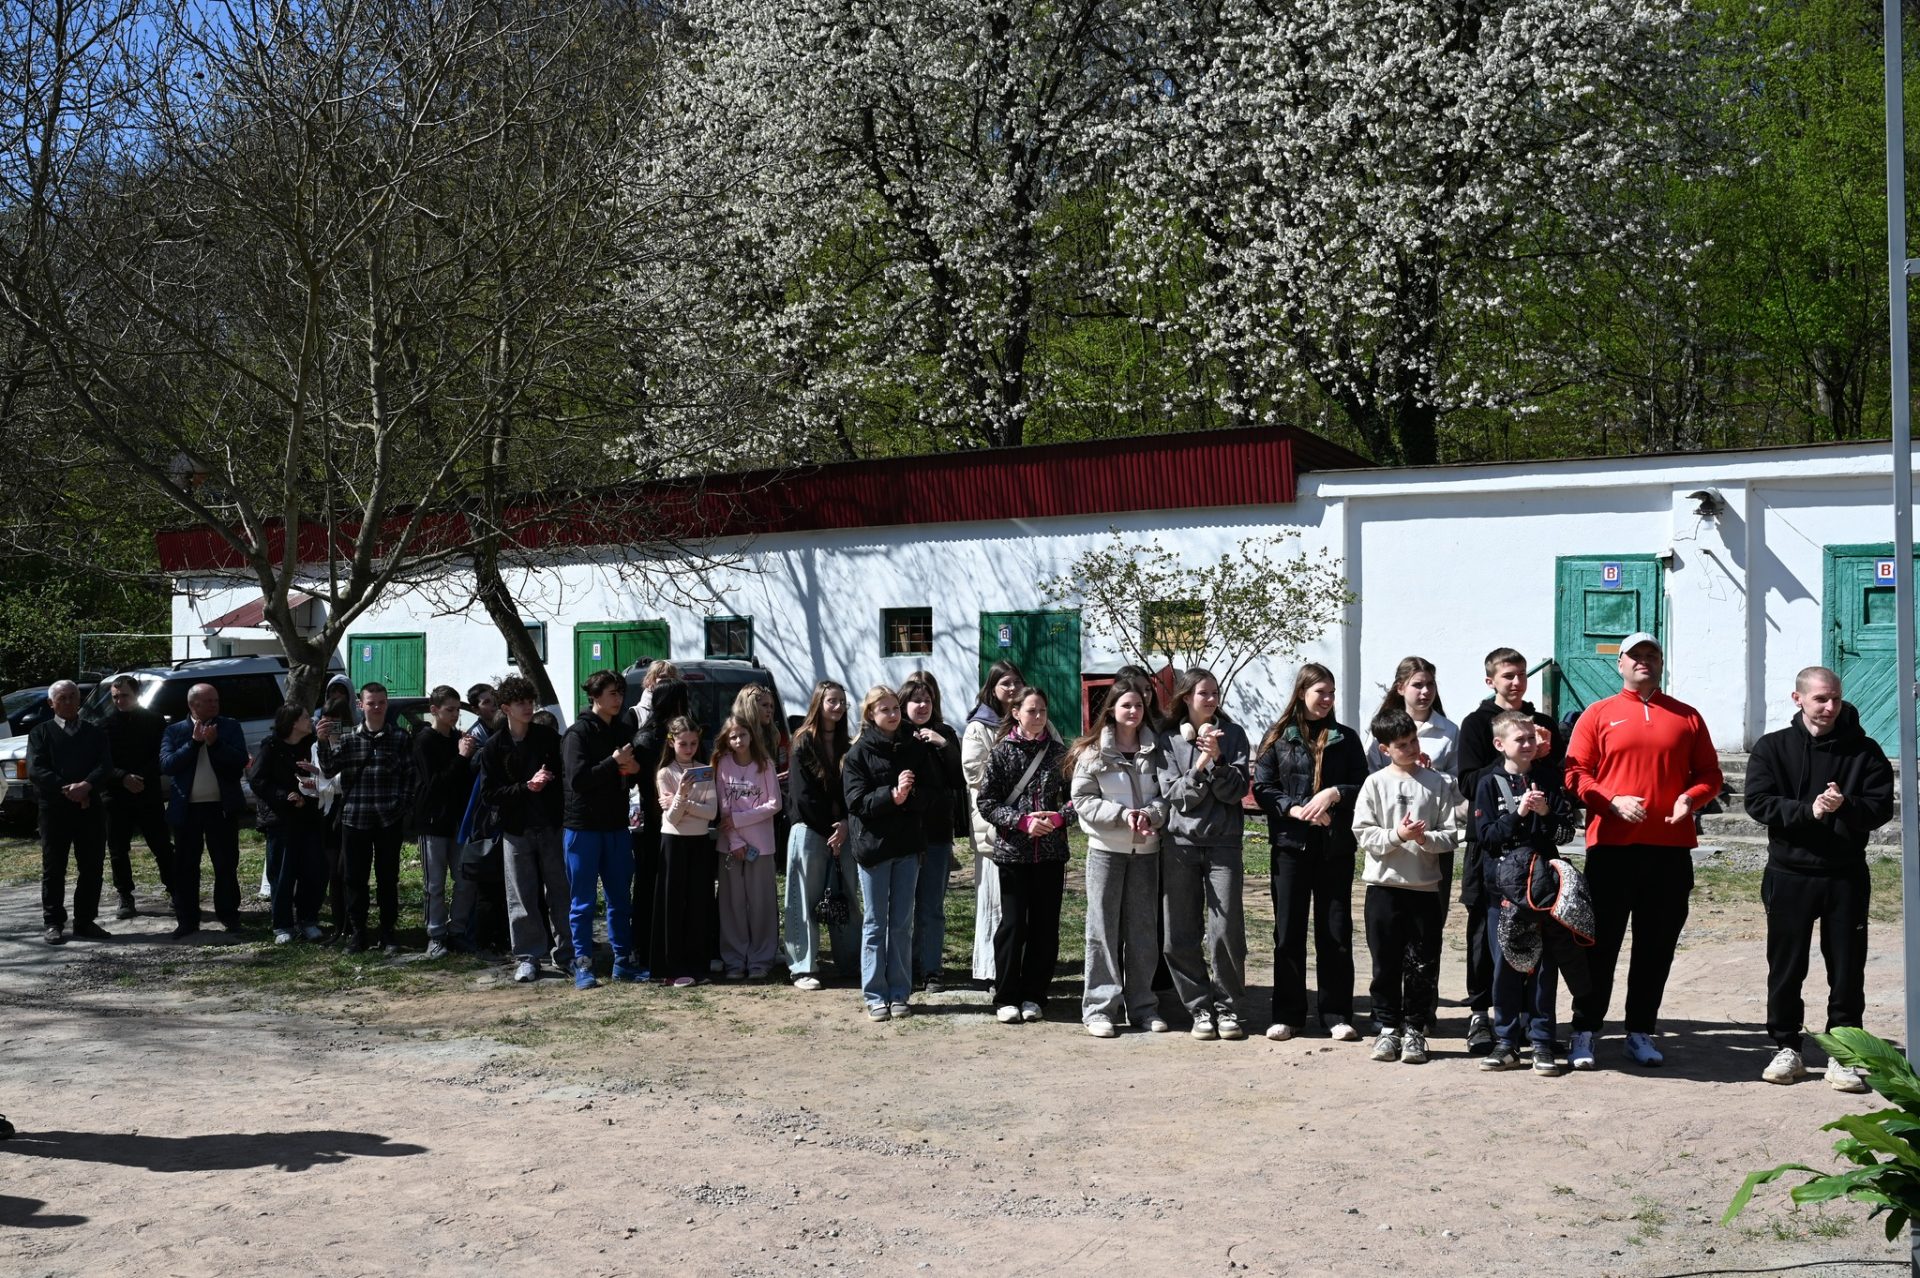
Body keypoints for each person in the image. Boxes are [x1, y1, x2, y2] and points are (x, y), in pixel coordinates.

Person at [1562, 631, 1723, 1069]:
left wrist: (1691, 798)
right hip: (1612, 850)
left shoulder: (1687, 716)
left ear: (1661, 663)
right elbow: (1575, 773)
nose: (1644, 661)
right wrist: (1611, 801)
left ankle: (1640, 1031)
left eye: (1652, 654)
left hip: (1669, 851)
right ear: (1620, 663)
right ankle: (1585, 1029)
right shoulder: (1598, 714)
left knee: (1656, 947)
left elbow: (1710, 775)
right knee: (1599, 946)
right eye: (1635, 655)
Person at [1745, 666, 1895, 1092]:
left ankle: (1843, 1052)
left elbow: (1881, 807)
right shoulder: (1773, 747)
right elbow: (1758, 802)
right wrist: (1807, 810)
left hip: (1845, 875)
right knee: (1786, 965)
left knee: (1847, 967)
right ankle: (1786, 1046)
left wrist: (1845, 805)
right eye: (1820, 699)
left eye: (1835, 699)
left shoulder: (1864, 751)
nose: (1830, 707)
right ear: (1798, 699)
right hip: (1789, 874)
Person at [1453, 647, 1564, 1056]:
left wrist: (1541, 754)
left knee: (1537, 940)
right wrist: (1512, 759)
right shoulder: (1476, 723)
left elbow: (1558, 782)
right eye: (1508, 676)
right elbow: (1468, 782)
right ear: (1492, 681)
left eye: (1521, 674)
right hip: (1491, 847)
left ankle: (1532, 1025)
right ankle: (1482, 1014)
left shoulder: (1542, 723)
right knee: (1487, 933)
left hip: (1536, 856)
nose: (1516, 682)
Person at [1252, 663, 1368, 1043]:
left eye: (1332, 693)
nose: (1328, 699)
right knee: (1288, 933)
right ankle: (1288, 1015)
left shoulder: (1346, 738)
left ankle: (1336, 1015)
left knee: (1335, 933)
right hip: (1291, 848)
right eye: (1321, 692)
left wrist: (1335, 794)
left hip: (1335, 849)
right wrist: (1294, 809)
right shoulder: (1277, 737)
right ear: (1302, 693)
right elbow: (1263, 787)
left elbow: (1364, 786)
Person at [1473, 709, 1584, 1075]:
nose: (1527, 744)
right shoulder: (1488, 783)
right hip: (1503, 892)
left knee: (1543, 968)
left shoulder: (1548, 778)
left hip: (1542, 891)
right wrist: (1518, 813)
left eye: (1531, 738)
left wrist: (1547, 812)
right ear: (1499, 744)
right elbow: (1486, 838)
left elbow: (1565, 834)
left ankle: (1541, 1042)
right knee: (1505, 966)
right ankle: (1506, 1042)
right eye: (1519, 739)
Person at [1352, 707, 1462, 1065]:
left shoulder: (1436, 783)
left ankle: (1415, 1028)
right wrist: (1397, 835)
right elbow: (1363, 833)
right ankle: (1387, 1027)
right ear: (1385, 749)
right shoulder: (1374, 783)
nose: (1412, 748)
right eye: (1402, 744)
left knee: (1421, 964)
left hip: (1424, 889)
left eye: (1413, 740)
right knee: (1385, 961)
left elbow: (1451, 835)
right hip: (1383, 887)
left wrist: (1425, 839)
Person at [1068, 679, 1169, 1038]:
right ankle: (1099, 1009)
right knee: (1102, 929)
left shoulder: (1158, 749)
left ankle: (1143, 1007)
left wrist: (1151, 814)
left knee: (1143, 931)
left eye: (1139, 705)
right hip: (1106, 851)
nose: (1134, 711)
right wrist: (1121, 815)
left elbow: (1167, 795)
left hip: (1146, 851)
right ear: (1111, 709)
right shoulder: (1092, 752)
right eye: (1126, 705)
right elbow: (1082, 799)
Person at [1162, 667, 1255, 1041]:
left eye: (1216, 693)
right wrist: (1201, 766)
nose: (1212, 699)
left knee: (1226, 930)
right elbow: (1177, 797)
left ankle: (1228, 1008)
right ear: (1186, 697)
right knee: (1179, 933)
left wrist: (1217, 760)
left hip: (1223, 845)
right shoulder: (1169, 740)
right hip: (1180, 847)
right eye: (1204, 693)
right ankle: (1199, 1007)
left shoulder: (1234, 735)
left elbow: (1236, 792)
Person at [977, 685, 1077, 1025]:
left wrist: (1059, 818)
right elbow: (986, 802)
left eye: (1042, 711)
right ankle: (1006, 996)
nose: (1038, 717)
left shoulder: (1059, 753)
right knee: (1013, 925)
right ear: (1016, 713)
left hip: (1051, 853)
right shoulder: (1001, 753)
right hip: (1013, 854)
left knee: (1045, 927)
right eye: (1031, 711)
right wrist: (1021, 822)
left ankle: (1035, 994)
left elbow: (1078, 798)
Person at [843, 686, 931, 1020]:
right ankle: (875, 995)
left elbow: (933, 794)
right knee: (875, 923)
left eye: (895, 708)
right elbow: (856, 801)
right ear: (870, 714)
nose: (893, 714)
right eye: (885, 709)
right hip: (874, 849)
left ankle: (899, 993)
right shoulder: (858, 753)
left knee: (902, 924)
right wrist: (891, 796)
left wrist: (910, 794)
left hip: (907, 846)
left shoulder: (914, 747)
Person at [483, 674, 571, 984]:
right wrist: (526, 787)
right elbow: (489, 794)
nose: (528, 707)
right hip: (516, 830)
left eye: (530, 701)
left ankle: (567, 954)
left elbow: (564, 779)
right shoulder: (494, 747)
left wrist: (548, 786)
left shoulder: (547, 738)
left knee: (560, 892)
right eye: (520, 703)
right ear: (506, 708)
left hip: (550, 826)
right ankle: (527, 957)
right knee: (520, 895)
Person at [562, 670, 644, 989]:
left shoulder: (623, 731)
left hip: (616, 826)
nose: (618, 699)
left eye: (621, 693)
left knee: (620, 899)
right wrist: (613, 762)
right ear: (595, 696)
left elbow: (628, 777)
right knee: (582, 903)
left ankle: (623, 962)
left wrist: (634, 770)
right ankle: (583, 964)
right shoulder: (577, 734)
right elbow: (578, 780)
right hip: (583, 827)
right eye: (612, 693)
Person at [321, 682, 417, 954]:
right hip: (356, 818)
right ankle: (358, 933)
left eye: (381, 702)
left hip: (389, 819)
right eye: (371, 703)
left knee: (388, 879)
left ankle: (388, 932)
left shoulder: (400, 737)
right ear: (360, 705)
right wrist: (324, 742)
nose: (377, 707)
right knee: (355, 879)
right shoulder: (348, 738)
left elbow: (410, 775)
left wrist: (402, 805)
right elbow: (328, 769)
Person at [161, 682, 249, 940]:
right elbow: (167, 765)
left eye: (216, 700)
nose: (214, 705)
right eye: (208, 701)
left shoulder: (229, 727)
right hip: (186, 810)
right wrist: (194, 743)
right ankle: (187, 920)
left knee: (225, 864)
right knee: (185, 866)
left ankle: (229, 916)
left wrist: (215, 743)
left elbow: (240, 761)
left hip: (221, 808)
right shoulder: (175, 731)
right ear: (193, 705)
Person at [29, 680, 113, 945]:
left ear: (79, 700)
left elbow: (105, 765)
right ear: (51, 703)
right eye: (62, 698)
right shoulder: (40, 733)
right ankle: (53, 922)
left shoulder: (95, 732)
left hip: (90, 809)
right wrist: (68, 789)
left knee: (92, 866)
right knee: (54, 867)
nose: (68, 702)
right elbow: (36, 769)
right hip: (54, 810)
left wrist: (86, 786)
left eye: (73, 697)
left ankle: (85, 921)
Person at [784, 680, 853, 991]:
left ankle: (851, 962)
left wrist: (845, 824)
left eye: (841, 701)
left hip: (842, 832)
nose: (837, 707)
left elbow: (852, 789)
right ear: (818, 704)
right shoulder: (802, 742)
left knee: (845, 898)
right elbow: (803, 796)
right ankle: (803, 967)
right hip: (810, 831)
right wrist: (831, 829)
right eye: (831, 701)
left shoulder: (847, 744)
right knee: (803, 901)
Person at [962, 660, 1025, 984]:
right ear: (992, 688)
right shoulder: (979, 726)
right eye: (1005, 683)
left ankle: (1019, 969)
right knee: (994, 900)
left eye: (1016, 682)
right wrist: (1017, 774)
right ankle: (991, 971)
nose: (1012, 688)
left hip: (1027, 826)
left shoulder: (1030, 718)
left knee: (1019, 905)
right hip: (993, 826)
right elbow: (974, 772)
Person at [900, 673, 962, 994]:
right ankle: (905, 967)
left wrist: (944, 746)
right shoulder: (895, 734)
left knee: (932, 906)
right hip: (903, 834)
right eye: (916, 700)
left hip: (937, 833)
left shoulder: (945, 734)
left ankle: (932, 970)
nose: (922, 705)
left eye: (927, 700)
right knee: (903, 907)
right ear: (904, 703)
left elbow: (958, 780)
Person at [248, 702, 327, 944]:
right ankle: (282, 925)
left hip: (310, 818)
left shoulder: (312, 745)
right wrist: (285, 796)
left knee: (312, 872)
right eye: (305, 717)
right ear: (293, 723)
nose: (310, 721)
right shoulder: (271, 747)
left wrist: (309, 793)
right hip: (281, 821)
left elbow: (325, 773)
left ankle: (308, 920)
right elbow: (258, 781)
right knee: (282, 875)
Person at [715, 713, 782, 980]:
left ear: (751, 736)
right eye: (733, 736)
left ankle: (761, 959)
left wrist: (740, 819)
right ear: (726, 740)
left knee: (761, 903)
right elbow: (723, 807)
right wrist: (734, 839)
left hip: (761, 845)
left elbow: (774, 804)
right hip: (730, 845)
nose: (739, 740)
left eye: (743, 734)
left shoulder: (764, 764)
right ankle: (734, 959)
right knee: (732, 904)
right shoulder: (722, 764)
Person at [100, 674, 173, 918]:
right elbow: (101, 761)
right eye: (115, 697)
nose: (120, 701)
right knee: (118, 849)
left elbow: (161, 755)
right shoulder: (104, 725)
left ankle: (175, 890)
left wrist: (139, 777)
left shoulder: (154, 721)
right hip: (116, 795)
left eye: (125, 696)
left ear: (137, 695)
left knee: (161, 845)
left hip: (147, 792)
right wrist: (123, 777)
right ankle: (125, 895)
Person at [654, 713, 718, 986]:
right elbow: (672, 818)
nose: (689, 748)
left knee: (698, 903)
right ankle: (672, 968)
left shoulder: (705, 771)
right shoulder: (665, 773)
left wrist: (682, 803)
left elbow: (711, 812)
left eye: (693, 743)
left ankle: (697, 965)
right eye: (683, 744)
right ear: (672, 742)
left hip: (700, 841)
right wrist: (682, 794)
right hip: (674, 842)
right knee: (673, 904)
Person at [632, 677, 689, 979]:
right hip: (658, 822)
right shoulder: (650, 737)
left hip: (677, 819)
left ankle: (665, 948)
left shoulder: (674, 734)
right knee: (654, 886)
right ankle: (648, 949)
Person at [413, 685, 471, 959]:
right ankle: (435, 935)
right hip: (433, 821)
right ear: (434, 710)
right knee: (434, 883)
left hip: (457, 821)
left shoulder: (458, 739)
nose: (455, 715)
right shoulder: (425, 741)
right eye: (450, 710)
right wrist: (461, 757)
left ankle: (457, 930)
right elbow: (435, 783)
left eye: (457, 709)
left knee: (464, 879)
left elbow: (463, 780)